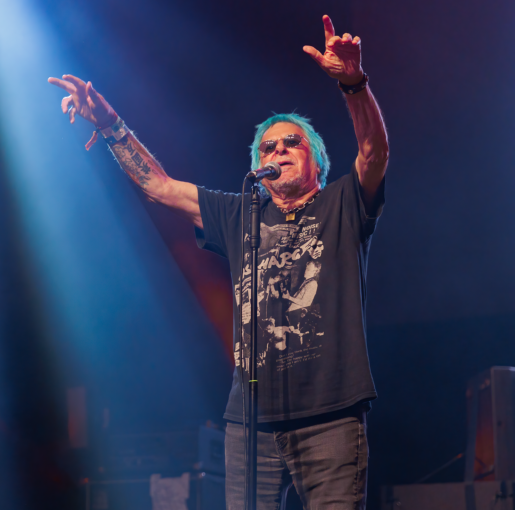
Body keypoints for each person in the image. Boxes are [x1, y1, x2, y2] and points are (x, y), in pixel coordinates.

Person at [49, 14, 388, 510]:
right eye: (268, 147)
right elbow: (159, 187)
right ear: (258, 168)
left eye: (292, 142)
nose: (279, 149)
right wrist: (108, 124)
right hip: (251, 422)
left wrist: (353, 84)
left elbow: (374, 152)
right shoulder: (240, 213)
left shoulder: (342, 203)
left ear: (317, 160)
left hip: (330, 416)